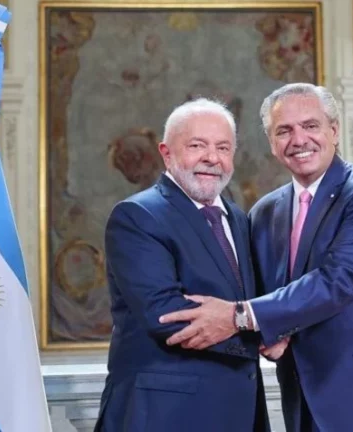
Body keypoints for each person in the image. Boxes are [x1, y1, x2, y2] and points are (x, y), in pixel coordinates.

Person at [160, 84, 353, 431]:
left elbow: (341, 279)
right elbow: (262, 292)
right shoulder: (264, 213)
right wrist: (266, 335)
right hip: (304, 399)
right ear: (272, 143)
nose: (299, 139)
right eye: (284, 131)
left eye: (310, 126)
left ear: (333, 131)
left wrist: (238, 316)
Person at [95, 98, 269, 432]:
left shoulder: (237, 218)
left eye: (223, 147)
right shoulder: (138, 216)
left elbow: (248, 298)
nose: (212, 158)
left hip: (239, 413)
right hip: (164, 415)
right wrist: (260, 327)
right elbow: (167, 317)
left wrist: (259, 319)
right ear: (166, 153)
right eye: (197, 145)